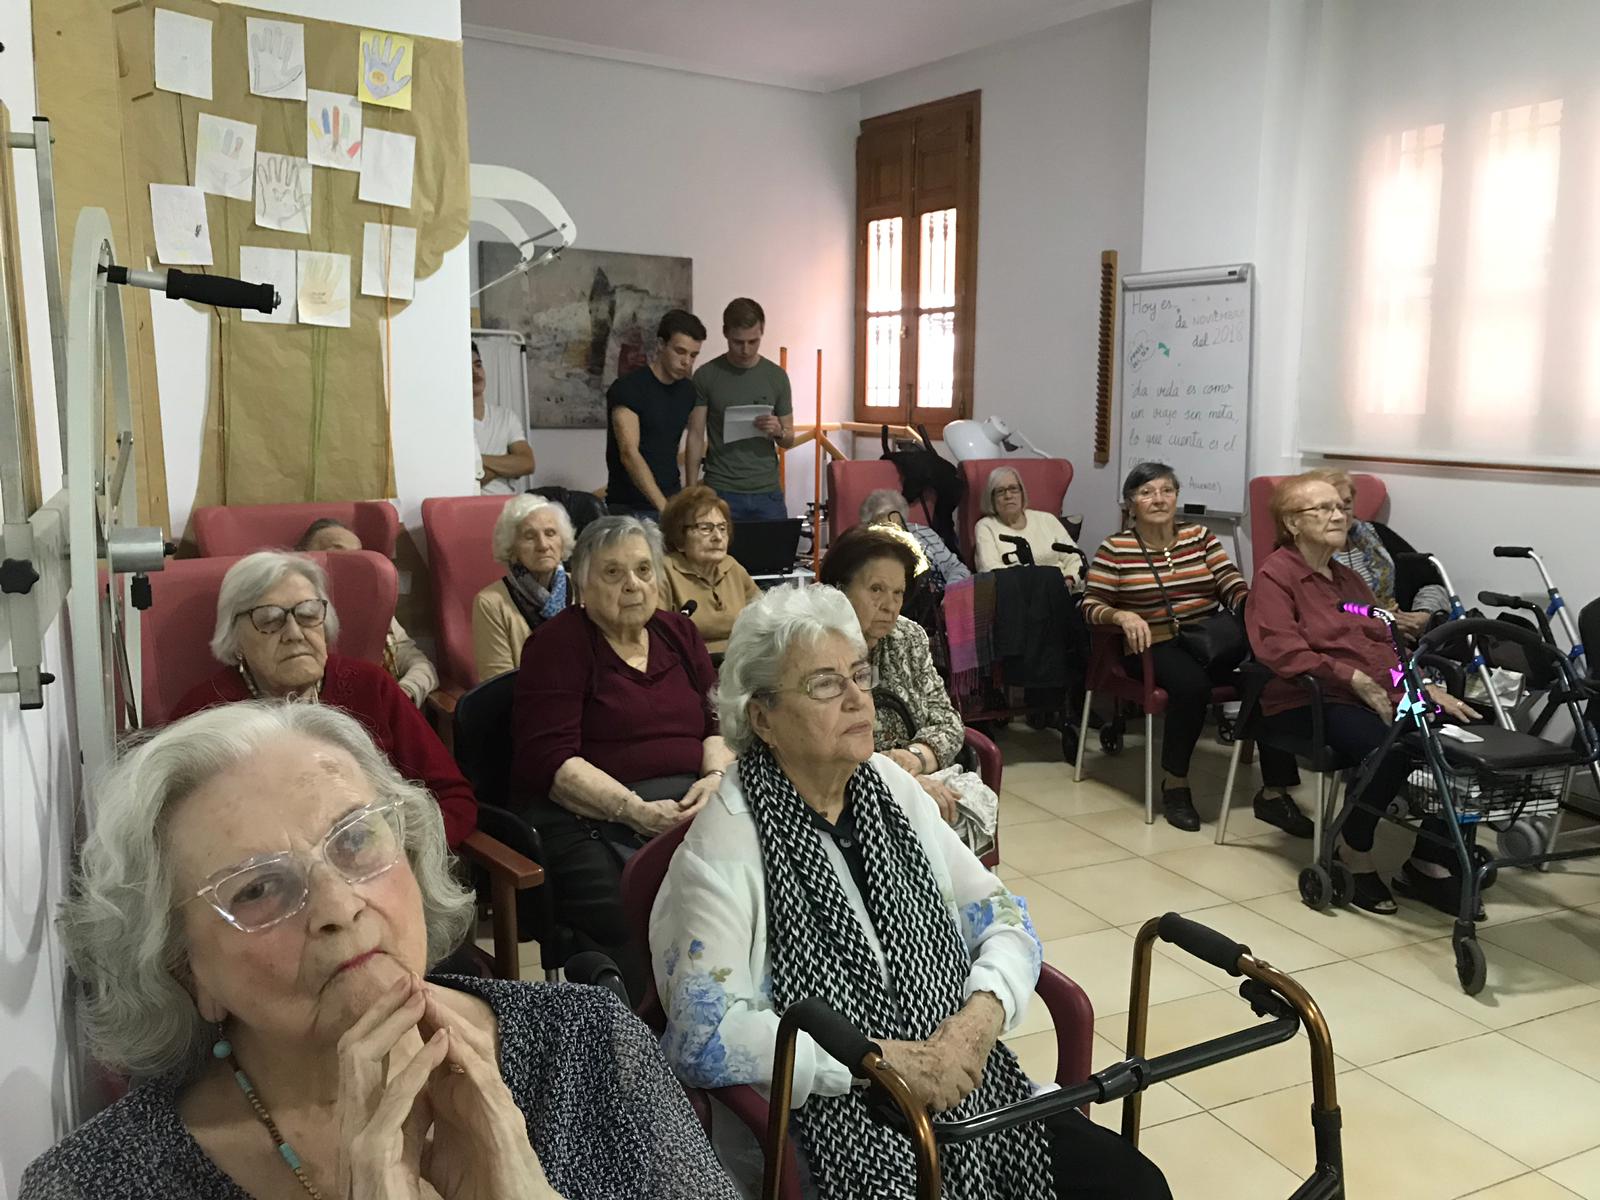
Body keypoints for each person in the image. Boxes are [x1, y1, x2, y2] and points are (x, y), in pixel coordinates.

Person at [20, 702, 739, 1199]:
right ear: (186, 971)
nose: (339, 908)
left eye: (357, 839)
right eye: (257, 890)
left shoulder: (589, 1044)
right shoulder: (98, 1183)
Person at [649, 584, 1171, 1200]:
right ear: (761, 715)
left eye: (860, 675)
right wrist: (878, 1061)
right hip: (830, 1123)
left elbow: (1003, 918)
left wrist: (977, 1022)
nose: (857, 700)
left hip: (968, 1086)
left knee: (1134, 1184)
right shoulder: (724, 845)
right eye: (823, 684)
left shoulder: (890, 790)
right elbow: (702, 1038)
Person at [511, 515, 734, 999]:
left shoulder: (679, 633)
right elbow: (551, 762)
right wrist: (635, 812)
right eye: (613, 573)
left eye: (643, 570)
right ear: (584, 584)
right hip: (589, 815)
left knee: (747, 888)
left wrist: (715, 776)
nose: (633, 585)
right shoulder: (557, 645)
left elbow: (719, 723)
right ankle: (642, 1039)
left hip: (691, 802)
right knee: (640, 910)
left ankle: (736, 1023)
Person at [1249, 474, 1482, 915]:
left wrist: (1420, 685)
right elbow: (1282, 650)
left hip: (1371, 693)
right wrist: (1351, 677)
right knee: (1390, 748)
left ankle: (1430, 859)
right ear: (1292, 523)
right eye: (1322, 508)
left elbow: (1383, 644)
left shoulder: (1349, 581)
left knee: (1464, 734)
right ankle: (1353, 850)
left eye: (1340, 506)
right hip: (1305, 699)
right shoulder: (1276, 576)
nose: (1338, 514)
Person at [170, 552, 476, 849]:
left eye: (307, 615)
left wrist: (400, 854)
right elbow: (176, 836)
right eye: (269, 620)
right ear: (235, 641)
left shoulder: (371, 686)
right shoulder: (205, 714)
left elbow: (452, 798)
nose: (294, 633)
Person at [1082, 463, 1309, 835]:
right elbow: (1090, 605)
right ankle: (1175, 784)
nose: (1158, 499)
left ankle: (1274, 792)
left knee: (1269, 677)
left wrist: (1251, 606)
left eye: (1167, 490)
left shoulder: (1200, 537)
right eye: (1147, 492)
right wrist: (1122, 616)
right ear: (1130, 504)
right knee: (1191, 687)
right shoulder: (1116, 548)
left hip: (1208, 639)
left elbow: (1229, 581)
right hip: (1150, 644)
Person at [818, 525, 997, 853]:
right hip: (844, 798)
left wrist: (917, 757)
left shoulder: (908, 637)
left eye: (898, 593)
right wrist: (898, 782)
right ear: (839, 590)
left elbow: (947, 721)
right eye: (876, 589)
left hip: (919, 779)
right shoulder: (816, 650)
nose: (890, 605)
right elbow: (821, 749)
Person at [295, 518, 440, 708]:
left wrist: (400, 694)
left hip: (381, 714)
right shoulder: (292, 616)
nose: (351, 563)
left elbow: (421, 665)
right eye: (337, 553)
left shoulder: (374, 609)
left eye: (358, 556)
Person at [1305, 467, 1451, 640]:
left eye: (1346, 505)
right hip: (1352, 648)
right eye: (1328, 507)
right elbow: (1314, 620)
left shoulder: (1378, 534)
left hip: (1410, 641)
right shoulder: (1299, 554)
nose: (1340, 515)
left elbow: (1430, 582)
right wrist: (1380, 625)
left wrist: (1423, 615)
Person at [685, 297, 794, 521]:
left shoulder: (776, 376)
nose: (745, 349)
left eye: (753, 341)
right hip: (721, 488)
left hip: (766, 489)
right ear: (725, 333)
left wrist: (778, 431)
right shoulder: (706, 375)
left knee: (776, 555)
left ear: (762, 331)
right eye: (738, 342)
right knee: (715, 555)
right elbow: (695, 435)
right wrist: (690, 490)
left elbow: (789, 439)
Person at [604, 309, 706, 517]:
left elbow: (690, 438)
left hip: (671, 497)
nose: (687, 361)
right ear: (661, 345)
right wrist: (664, 508)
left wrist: (688, 496)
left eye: (693, 355)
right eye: (680, 351)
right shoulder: (628, 388)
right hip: (628, 506)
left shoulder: (688, 391)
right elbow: (629, 453)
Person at [471, 494, 576, 680]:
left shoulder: (585, 587)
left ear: (562, 540)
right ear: (512, 548)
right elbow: (499, 687)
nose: (543, 545)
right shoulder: (491, 603)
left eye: (550, 533)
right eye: (529, 536)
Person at [659, 485, 762, 655]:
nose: (718, 537)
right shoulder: (665, 572)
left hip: (740, 661)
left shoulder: (732, 567)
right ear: (679, 538)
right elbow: (658, 637)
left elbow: (765, 616)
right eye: (705, 528)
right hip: (690, 666)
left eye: (722, 528)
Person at [973, 467, 1085, 586]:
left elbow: (1076, 558)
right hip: (1018, 594)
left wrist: (1070, 580)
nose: (1008, 495)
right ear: (992, 498)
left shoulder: (1047, 519)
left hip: (1063, 588)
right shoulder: (986, 526)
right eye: (1000, 491)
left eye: (1013, 489)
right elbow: (990, 569)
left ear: (1022, 493)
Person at [859, 487, 971, 584]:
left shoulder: (924, 533)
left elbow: (956, 567)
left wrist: (951, 594)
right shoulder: (868, 549)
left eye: (897, 526)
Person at [472, 340, 535, 495]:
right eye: (468, 367)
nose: (475, 372)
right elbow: (471, 479)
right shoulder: (451, 423)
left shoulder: (506, 416)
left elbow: (527, 463)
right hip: (471, 505)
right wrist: (508, 463)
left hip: (507, 505)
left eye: (478, 365)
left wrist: (477, 461)